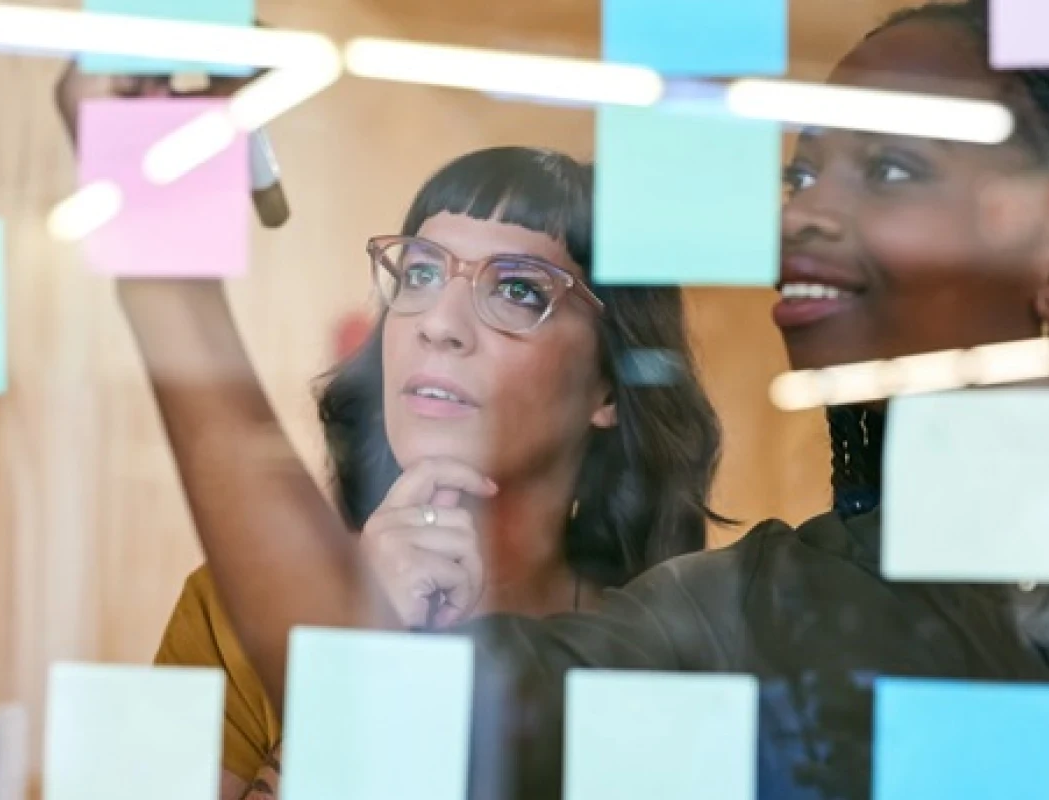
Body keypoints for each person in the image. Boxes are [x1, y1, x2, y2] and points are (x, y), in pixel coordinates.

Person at [126, 0, 1049, 796]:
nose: (802, 217)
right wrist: (154, 227)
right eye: (800, 175)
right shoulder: (764, 606)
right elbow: (394, 700)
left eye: (887, 168)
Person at [53, 67, 729, 799]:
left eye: (517, 289)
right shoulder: (228, 608)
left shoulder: (659, 654)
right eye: (420, 273)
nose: (439, 324)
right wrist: (358, 638)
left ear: (609, 387)